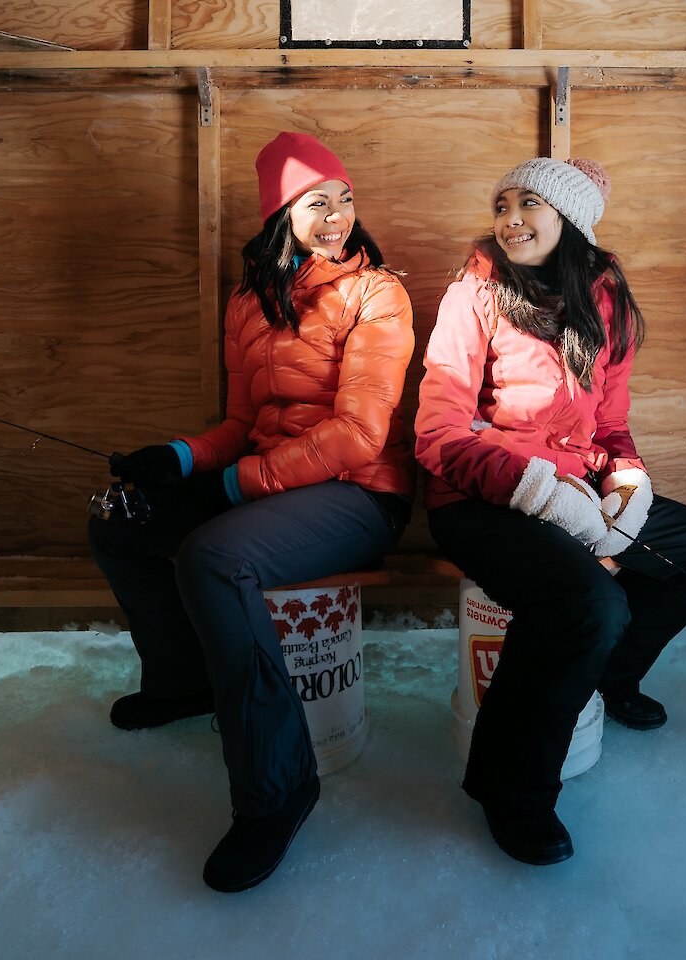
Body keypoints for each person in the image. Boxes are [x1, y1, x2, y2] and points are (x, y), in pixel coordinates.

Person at [88, 131, 415, 893]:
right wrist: (177, 458)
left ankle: (278, 790)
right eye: (316, 202)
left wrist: (234, 486)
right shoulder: (248, 301)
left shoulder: (378, 293)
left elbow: (361, 434)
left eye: (344, 198)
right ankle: (182, 683)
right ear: (280, 214)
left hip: (359, 494)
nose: (337, 215)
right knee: (120, 524)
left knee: (215, 556)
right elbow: (238, 425)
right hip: (269, 482)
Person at [415, 157, 686, 867]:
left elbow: (613, 428)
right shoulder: (475, 293)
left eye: (529, 202)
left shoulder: (608, 305)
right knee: (591, 604)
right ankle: (511, 790)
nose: (510, 218)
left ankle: (610, 678)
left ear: (572, 221)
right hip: (480, 496)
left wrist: (627, 486)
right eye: (502, 204)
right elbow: (438, 436)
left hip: (579, 492)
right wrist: (537, 490)